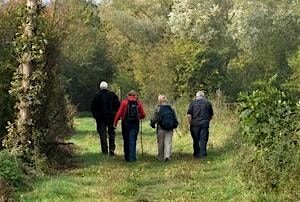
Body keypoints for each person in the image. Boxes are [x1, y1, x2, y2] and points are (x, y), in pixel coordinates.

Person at [113, 90, 146, 162]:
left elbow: (119, 113)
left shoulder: (124, 102)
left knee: (126, 140)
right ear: (135, 95)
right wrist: (138, 117)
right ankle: (133, 158)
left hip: (126, 123)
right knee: (133, 140)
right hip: (135, 123)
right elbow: (143, 115)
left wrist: (115, 123)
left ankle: (127, 157)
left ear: (128, 95)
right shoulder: (138, 103)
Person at [91, 81, 120, 156]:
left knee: (102, 134)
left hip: (100, 119)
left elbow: (93, 107)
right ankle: (111, 149)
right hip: (111, 117)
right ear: (107, 87)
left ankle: (104, 150)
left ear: (100, 87)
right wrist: (115, 114)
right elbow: (118, 105)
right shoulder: (112, 95)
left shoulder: (96, 96)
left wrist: (96, 116)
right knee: (111, 133)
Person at [150, 95, 178, 161]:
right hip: (170, 128)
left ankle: (160, 157)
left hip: (160, 128)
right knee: (168, 142)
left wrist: (152, 124)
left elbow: (154, 118)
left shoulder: (157, 108)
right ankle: (167, 156)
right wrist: (174, 124)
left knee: (160, 143)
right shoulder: (171, 108)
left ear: (159, 101)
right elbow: (175, 117)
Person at [187, 91, 213, 159]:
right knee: (203, 139)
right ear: (203, 96)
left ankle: (196, 154)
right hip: (204, 124)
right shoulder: (208, 103)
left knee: (196, 139)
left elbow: (189, 115)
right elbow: (211, 114)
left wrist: (191, 123)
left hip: (195, 124)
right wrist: (207, 121)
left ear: (197, 96)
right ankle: (203, 155)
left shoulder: (192, 103)